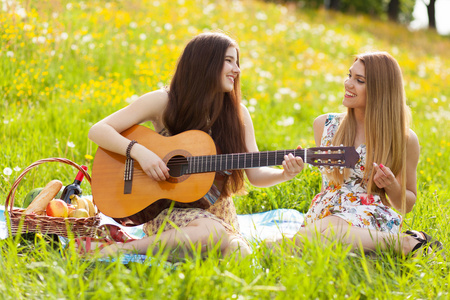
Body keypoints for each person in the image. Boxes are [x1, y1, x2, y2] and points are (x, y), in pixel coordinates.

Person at [80, 32, 305, 258]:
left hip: (219, 213)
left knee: (241, 254)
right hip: (168, 212)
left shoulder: (239, 114)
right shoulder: (163, 101)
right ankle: (119, 250)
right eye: (228, 61)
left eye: (237, 62)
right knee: (212, 234)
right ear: (204, 62)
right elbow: (98, 130)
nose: (237, 70)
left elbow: (255, 175)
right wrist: (141, 153)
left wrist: (285, 174)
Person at [275, 51, 443, 257]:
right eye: (349, 76)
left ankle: (406, 243)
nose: (348, 83)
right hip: (326, 214)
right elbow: (326, 187)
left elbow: (406, 204)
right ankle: (405, 243)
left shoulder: (404, 139)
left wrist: (391, 185)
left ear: (380, 90)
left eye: (359, 80)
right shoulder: (324, 125)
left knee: (308, 241)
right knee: (317, 237)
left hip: (370, 217)